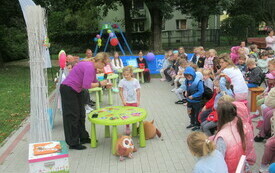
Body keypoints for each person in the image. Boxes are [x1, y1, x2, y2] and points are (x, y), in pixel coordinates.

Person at [60, 52, 111, 150]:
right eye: (104, 64)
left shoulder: (93, 68)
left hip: (77, 90)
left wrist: (104, 84)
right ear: (100, 61)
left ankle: (83, 137)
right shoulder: (89, 66)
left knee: (81, 114)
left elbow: (94, 82)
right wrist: (101, 84)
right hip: (68, 89)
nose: (104, 67)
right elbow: (86, 85)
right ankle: (73, 142)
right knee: (72, 116)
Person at [213, 102, 247, 173]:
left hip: (228, 169)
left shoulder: (221, 137)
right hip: (238, 166)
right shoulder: (238, 126)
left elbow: (219, 160)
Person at [118, 66, 141, 135]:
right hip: (126, 101)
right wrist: (123, 100)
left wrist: (138, 100)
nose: (126, 76)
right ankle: (127, 127)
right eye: (124, 75)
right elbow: (120, 91)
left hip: (134, 101)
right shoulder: (122, 81)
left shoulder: (135, 81)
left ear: (131, 73)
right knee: (127, 115)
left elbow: (138, 91)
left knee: (134, 114)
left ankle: (135, 127)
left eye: (127, 75)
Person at [184, 66, 204, 131]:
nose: (188, 77)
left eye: (189, 75)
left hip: (196, 101)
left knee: (197, 113)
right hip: (190, 100)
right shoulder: (187, 81)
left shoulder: (198, 81)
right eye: (186, 76)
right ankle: (192, 123)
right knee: (190, 113)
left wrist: (194, 96)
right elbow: (187, 87)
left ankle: (197, 125)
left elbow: (201, 91)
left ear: (192, 74)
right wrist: (186, 91)